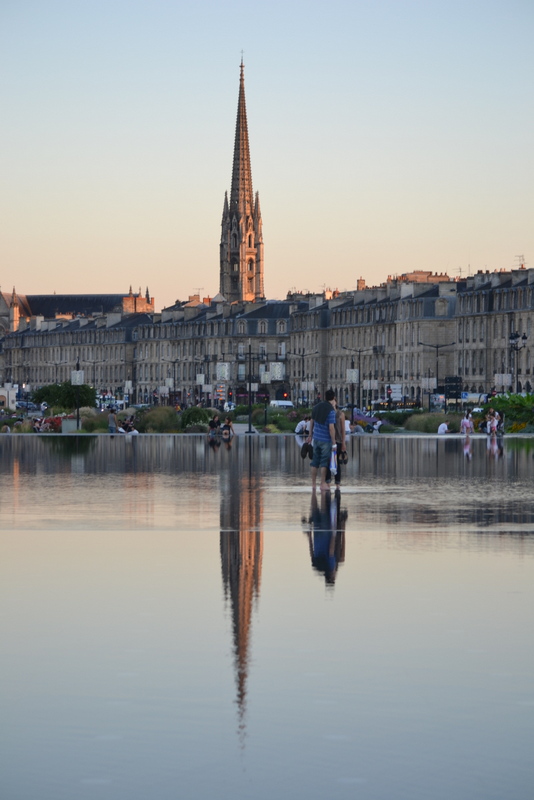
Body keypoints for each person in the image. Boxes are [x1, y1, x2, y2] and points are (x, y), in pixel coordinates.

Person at [307, 389, 337, 492]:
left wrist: (310, 434)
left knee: (315, 462)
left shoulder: (316, 407)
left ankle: (313, 484)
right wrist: (334, 442)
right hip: (326, 440)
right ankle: (322, 483)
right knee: (324, 462)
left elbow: (312, 421)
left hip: (316, 438)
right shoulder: (331, 411)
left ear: (324, 397)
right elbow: (331, 428)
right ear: (333, 398)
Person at [326, 400, 347, 491]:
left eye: (333, 402)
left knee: (337, 463)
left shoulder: (340, 414)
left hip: (338, 441)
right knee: (328, 463)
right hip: (328, 441)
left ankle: (337, 483)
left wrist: (343, 443)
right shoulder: (326, 413)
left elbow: (343, 430)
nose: (331, 403)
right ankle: (328, 482)